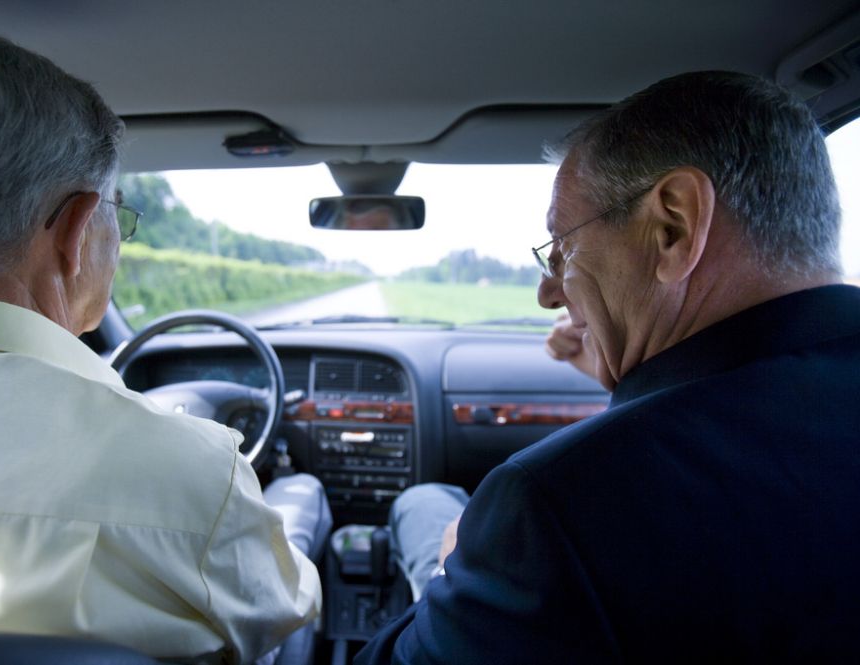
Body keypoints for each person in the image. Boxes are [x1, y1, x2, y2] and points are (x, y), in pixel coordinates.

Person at [357, 70, 860, 663]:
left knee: (427, 505)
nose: (549, 293)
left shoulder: (554, 506)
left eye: (561, 246)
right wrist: (643, 390)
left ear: (673, 225)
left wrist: (455, 568)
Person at [0, 29, 330, 664]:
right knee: (303, 510)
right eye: (119, 213)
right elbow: (283, 609)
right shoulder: (188, 476)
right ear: (77, 232)